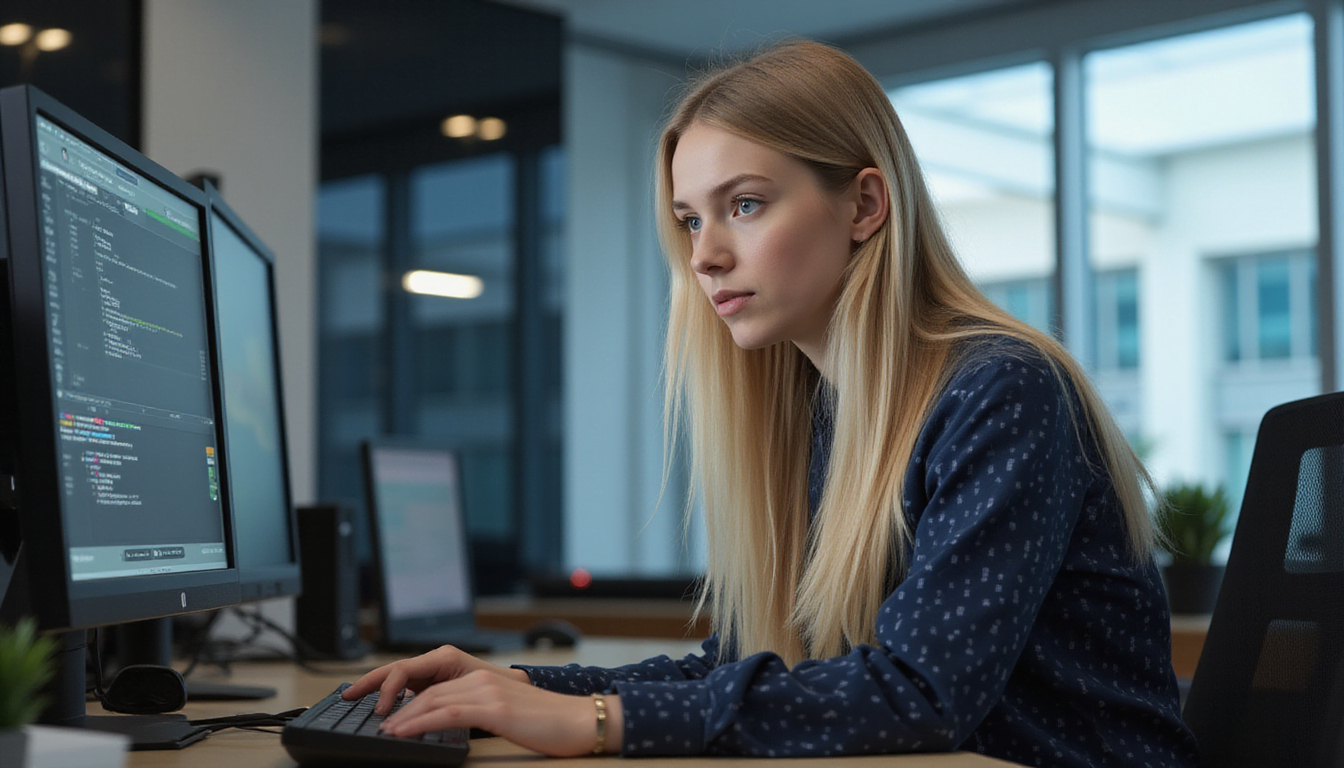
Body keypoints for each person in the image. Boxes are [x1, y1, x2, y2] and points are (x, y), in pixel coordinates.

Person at [344, 39, 1200, 767]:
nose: (705, 256)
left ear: (864, 204)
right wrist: (525, 686)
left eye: (744, 205)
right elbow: (744, 666)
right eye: (688, 220)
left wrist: (599, 721)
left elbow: (922, 692)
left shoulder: (1000, 389)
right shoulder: (826, 412)